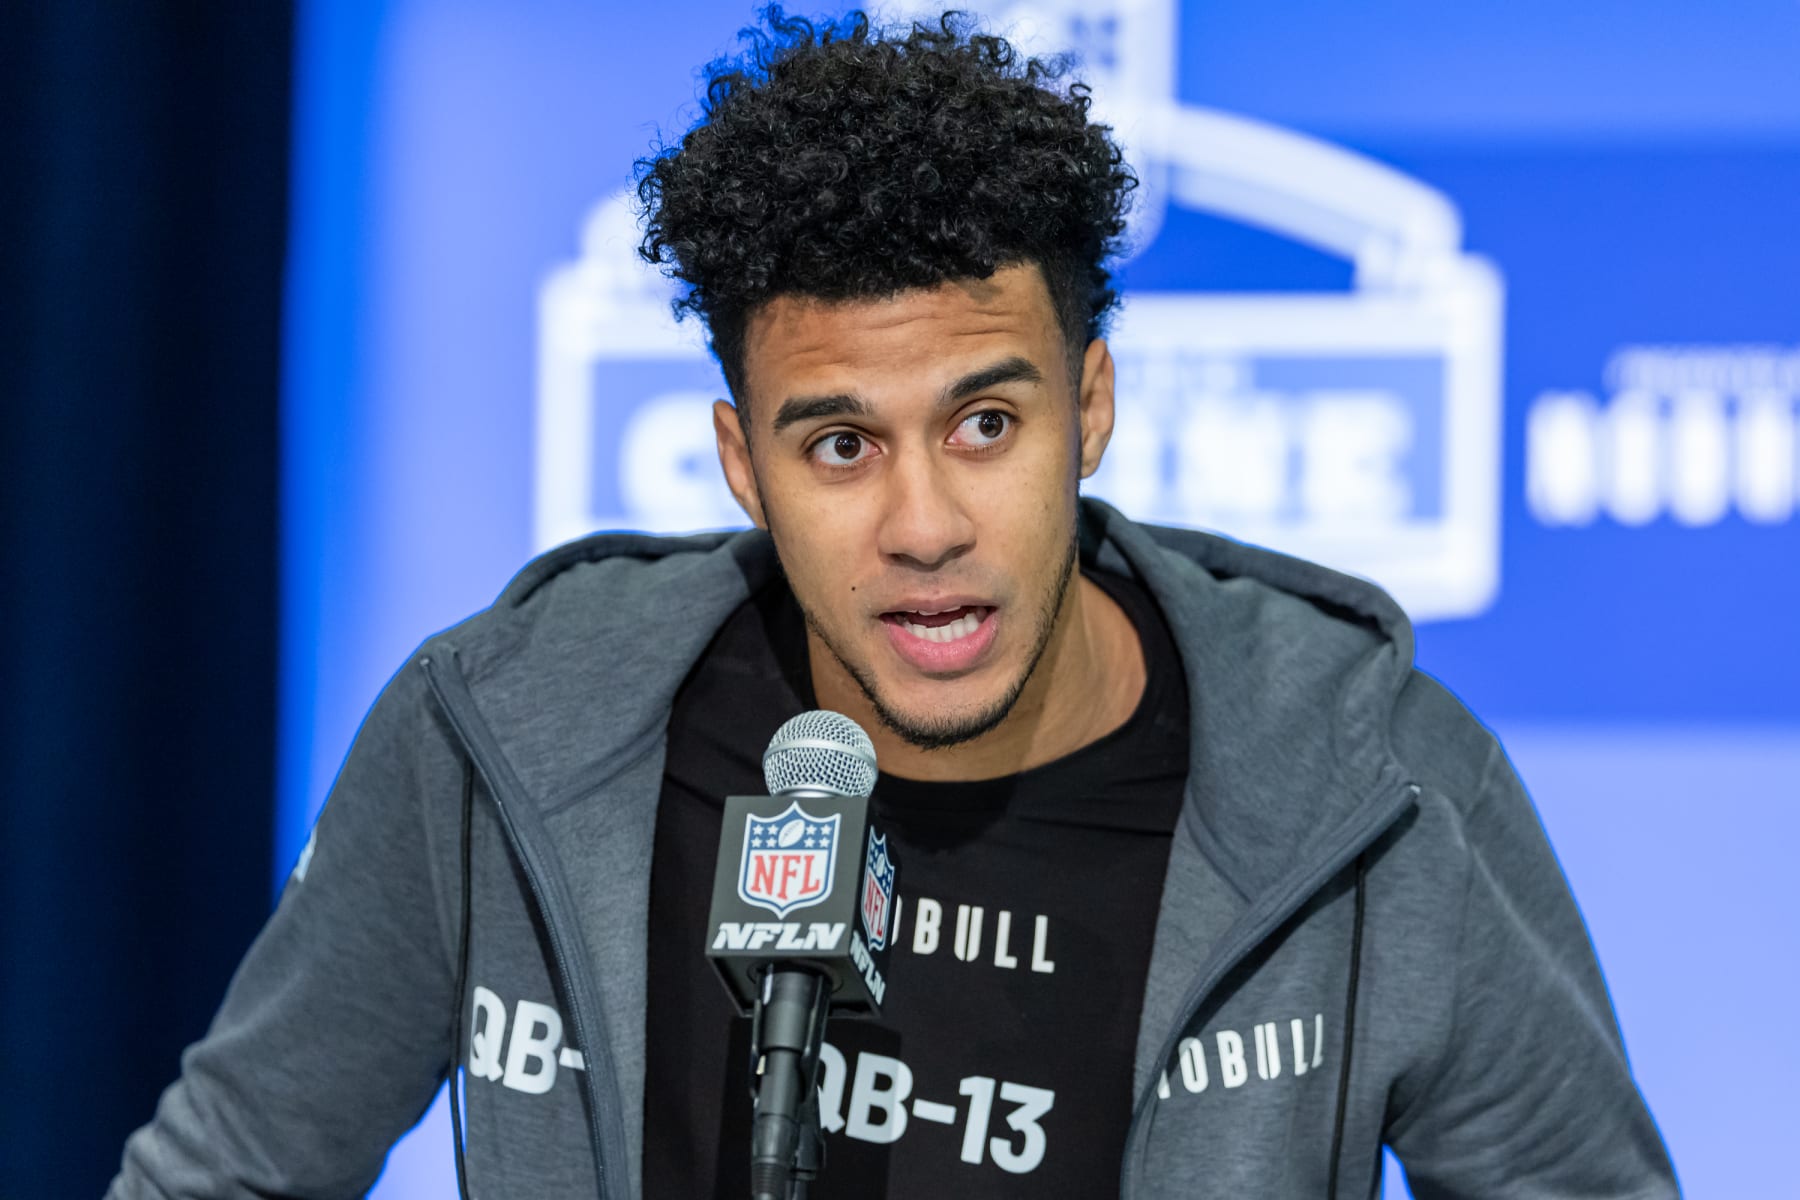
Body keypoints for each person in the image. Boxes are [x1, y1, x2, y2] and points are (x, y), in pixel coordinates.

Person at [111, 8, 1678, 1198]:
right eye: (841, 443)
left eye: (987, 425)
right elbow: (225, 1170)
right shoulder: (501, 733)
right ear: (740, 459)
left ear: (1095, 403)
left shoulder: (1378, 786)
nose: (924, 525)